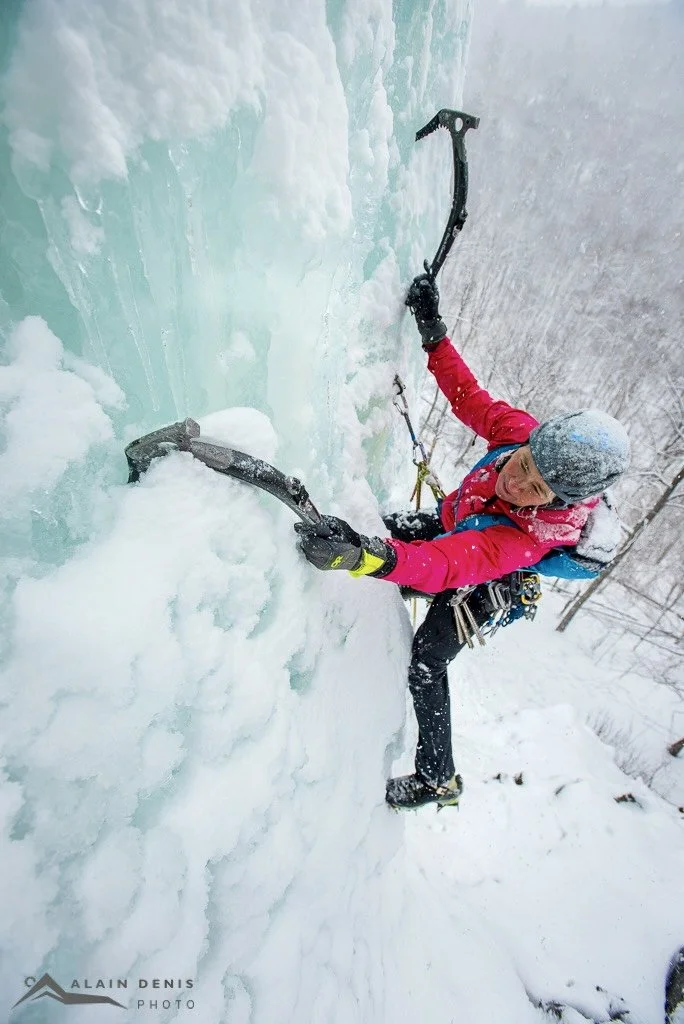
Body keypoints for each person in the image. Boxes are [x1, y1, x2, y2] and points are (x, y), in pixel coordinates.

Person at [294, 273, 630, 811]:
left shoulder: (523, 540)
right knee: (382, 530)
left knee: (426, 660)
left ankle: (438, 778)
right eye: (524, 464)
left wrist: (362, 559)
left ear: (558, 503)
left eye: (536, 488)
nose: (517, 480)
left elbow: (444, 568)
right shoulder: (519, 433)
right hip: (459, 527)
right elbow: (468, 395)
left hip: (490, 580)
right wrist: (433, 332)